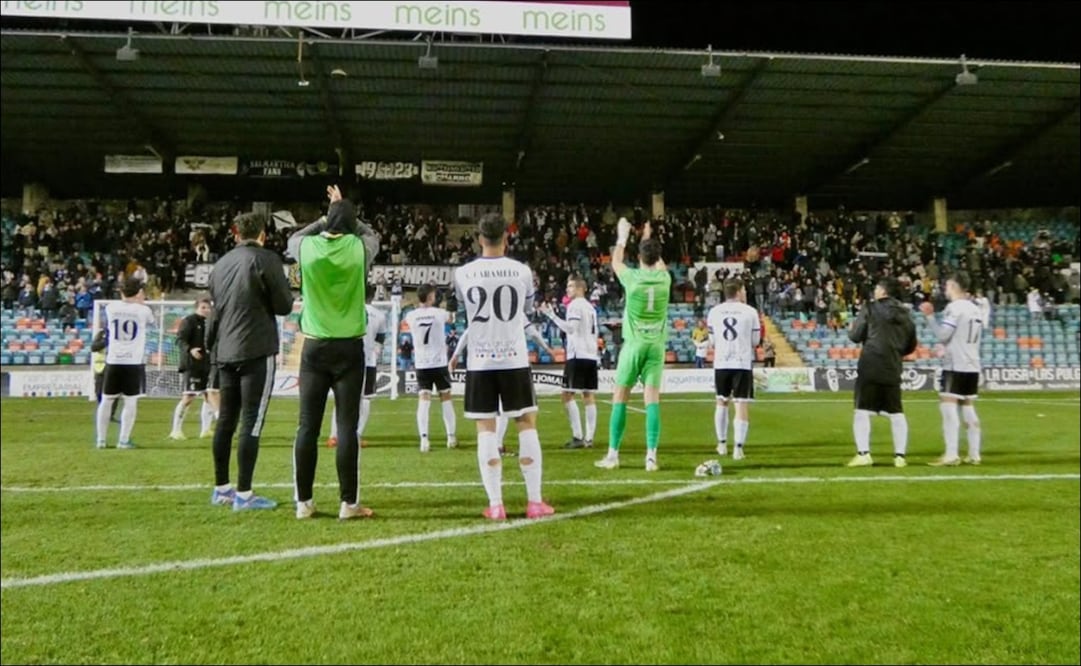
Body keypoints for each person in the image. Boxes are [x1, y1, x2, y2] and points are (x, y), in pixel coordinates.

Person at [286, 185, 379, 520]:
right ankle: (348, 503)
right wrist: (346, 214)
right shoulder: (359, 248)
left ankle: (304, 503)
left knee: (307, 427)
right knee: (346, 426)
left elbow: (293, 238)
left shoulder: (307, 248)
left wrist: (327, 215)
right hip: (350, 347)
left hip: (314, 347)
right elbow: (374, 235)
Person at [454, 213, 554, 520]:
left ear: (479, 238)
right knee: (526, 422)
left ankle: (496, 504)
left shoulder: (463, 273)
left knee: (486, 429)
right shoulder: (521, 271)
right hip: (513, 357)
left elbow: (465, 309)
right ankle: (534, 501)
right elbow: (524, 311)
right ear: (506, 237)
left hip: (481, 361)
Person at [206, 211, 294, 511]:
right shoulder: (266, 259)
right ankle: (244, 495)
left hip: (224, 351)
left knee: (226, 421)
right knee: (251, 422)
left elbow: (214, 312)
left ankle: (221, 489)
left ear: (235, 234)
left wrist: (211, 349)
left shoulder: (219, 265)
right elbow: (284, 305)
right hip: (255, 348)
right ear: (263, 235)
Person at [595, 218, 671, 472]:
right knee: (652, 401)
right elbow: (656, 260)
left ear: (639, 257)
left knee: (620, 398)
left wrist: (622, 236)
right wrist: (648, 236)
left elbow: (616, 261)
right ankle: (651, 456)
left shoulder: (633, 278)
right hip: (656, 346)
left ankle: (613, 454)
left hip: (634, 344)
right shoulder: (665, 278)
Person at [846, 276, 917, 468]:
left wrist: (850, 327)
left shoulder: (870, 307)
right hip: (892, 366)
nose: (875, 291)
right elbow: (911, 345)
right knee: (896, 412)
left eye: (877, 288)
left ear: (883, 291)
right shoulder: (906, 314)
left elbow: (855, 335)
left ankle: (864, 454)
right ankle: (900, 456)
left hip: (871, 363)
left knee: (861, 411)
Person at [920, 272, 984, 466]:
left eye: (947, 287)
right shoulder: (976, 309)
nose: (945, 290)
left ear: (955, 287)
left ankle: (951, 454)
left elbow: (943, 334)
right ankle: (974, 454)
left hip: (956, 364)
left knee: (947, 406)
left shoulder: (954, 308)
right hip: (973, 363)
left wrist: (930, 317)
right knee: (967, 405)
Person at [95, 277, 155, 450]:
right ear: (139, 292)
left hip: (114, 360)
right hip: (133, 362)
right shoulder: (144, 310)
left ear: (121, 291)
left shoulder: (111, 308)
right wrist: (140, 301)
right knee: (130, 401)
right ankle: (123, 439)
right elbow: (150, 322)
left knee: (106, 400)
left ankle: (101, 440)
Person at [540, 275, 600, 449]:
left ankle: (578, 435)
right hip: (590, 354)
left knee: (567, 394)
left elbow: (570, 328)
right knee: (588, 395)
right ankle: (589, 437)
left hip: (577, 355)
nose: (567, 289)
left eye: (571, 286)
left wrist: (551, 315)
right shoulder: (590, 307)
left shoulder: (574, 306)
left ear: (580, 288)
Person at [708, 278, 762, 460]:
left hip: (722, 362)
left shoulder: (714, 312)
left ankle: (722, 444)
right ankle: (738, 448)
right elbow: (756, 341)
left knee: (721, 402)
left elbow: (712, 341)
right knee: (741, 404)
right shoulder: (750, 312)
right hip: (742, 363)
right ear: (739, 291)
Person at [327, 294, 389, 449]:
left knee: (341, 398)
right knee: (365, 399)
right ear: (373, 295)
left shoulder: (347, 309)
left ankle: (333, 436)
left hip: (346, 359)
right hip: (368, 362)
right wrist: (374, 352)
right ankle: (356, 435)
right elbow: (380, 341)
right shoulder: (379, 315)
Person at [404, 284, 457, 452]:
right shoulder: (439, 313)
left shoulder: (411, 316)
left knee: (424, 400)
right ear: (430, 297)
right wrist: (451, 301)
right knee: (445, 397)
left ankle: (424, 440)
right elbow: (452, 318)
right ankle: (450, 437)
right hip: (439, 363)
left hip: (421, 363)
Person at [169, 297, 215, 440]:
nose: (206, 310)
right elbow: (180, 339)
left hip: (209, 364)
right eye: (203, 307)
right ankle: (175, 430)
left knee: (209, 396)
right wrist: (191, 350)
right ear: (197, 308)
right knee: (189, 397)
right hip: (192, 365)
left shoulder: (212, 322)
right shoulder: (189, 321)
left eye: (208, 307)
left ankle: (206, 430)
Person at [90, 326, 120, 425]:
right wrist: (106, 341)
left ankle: (110, 414)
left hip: (113, 366)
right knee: (99, 391)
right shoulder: (102, 334)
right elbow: (94, 347)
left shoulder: (120, 334)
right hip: (100, 368)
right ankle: (103, 411)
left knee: (114, 393)